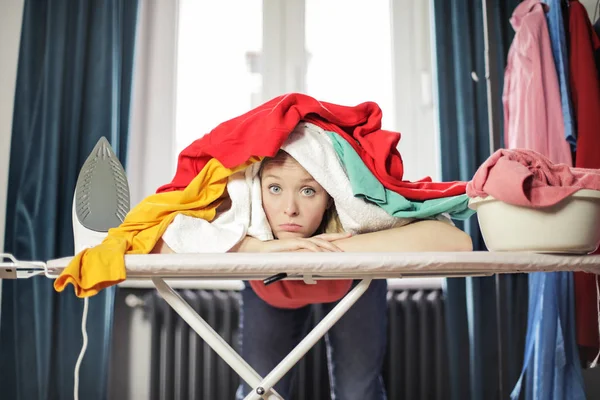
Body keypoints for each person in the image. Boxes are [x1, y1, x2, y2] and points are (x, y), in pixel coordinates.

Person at [153, 150, 473, 399]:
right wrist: (259, 249)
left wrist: (324, 250)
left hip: (353, 285)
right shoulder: (240, 212)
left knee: (358, 393)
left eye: (308, 191)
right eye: (275, 188)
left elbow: (458, 242)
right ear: (256, 191)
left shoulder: (355, 215)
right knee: (259, 389)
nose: (289, 208)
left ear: (331, 197)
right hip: (269, 290)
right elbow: (153, 244)